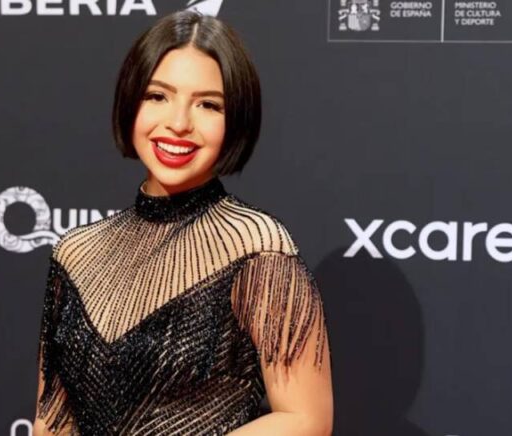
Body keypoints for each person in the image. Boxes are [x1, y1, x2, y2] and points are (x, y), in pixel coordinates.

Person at [33, 10, 333, 436]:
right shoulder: (76, 252)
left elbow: (305, 419)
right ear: (130, 102)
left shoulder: (258, 248)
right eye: (158, 96)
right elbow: (51, 420)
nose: (178, 124)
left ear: (236, 119)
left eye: (208, 105)